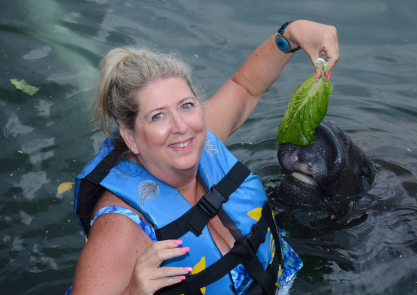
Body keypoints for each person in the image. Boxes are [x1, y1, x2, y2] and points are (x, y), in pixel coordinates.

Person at [67, 20, 339, 295]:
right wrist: (132, 293)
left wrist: (291, 34)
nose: (181, 126)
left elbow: (246, 87)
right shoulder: (121, 227)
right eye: (157, 116)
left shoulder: (197, 138)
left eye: (186, 106)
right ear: (131, 137)